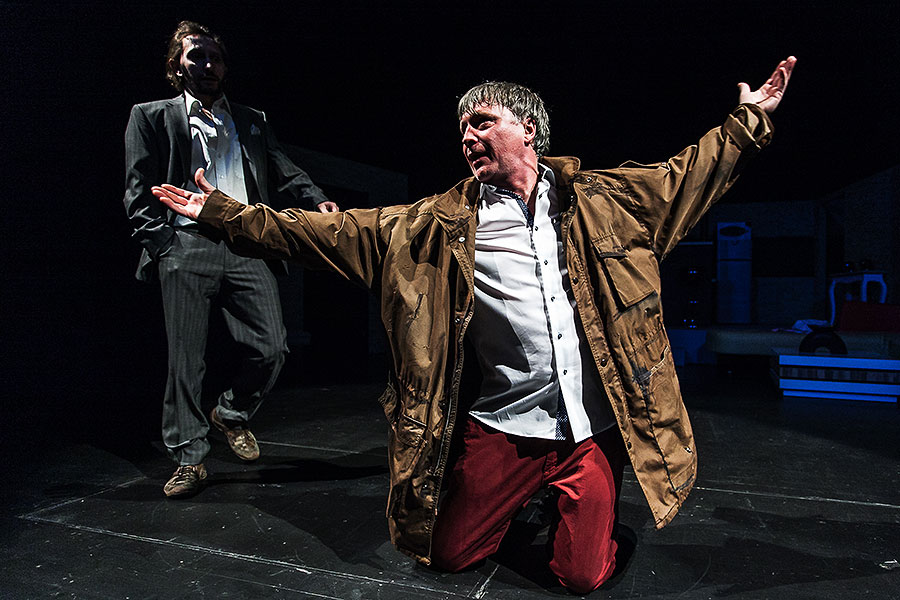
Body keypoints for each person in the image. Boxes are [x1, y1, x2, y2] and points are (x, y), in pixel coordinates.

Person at [153, 56, 795, 593]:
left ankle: (586, 513)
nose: (467, 136)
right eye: (462, 127)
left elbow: (688, 175)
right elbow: (324, 232)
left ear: (529, 129)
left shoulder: (606, 201)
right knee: (449, 554)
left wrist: (750, 121)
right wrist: (222, 213)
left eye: (483, 121)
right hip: (505, 426)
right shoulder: (432, 227)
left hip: (589, 429)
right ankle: (524, 500)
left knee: (581, 578)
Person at [123, 21, 339, 499]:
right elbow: (137, 190)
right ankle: (190, 458)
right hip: (185, 243)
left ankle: (230, 413)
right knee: (186, 360)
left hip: (245, 241)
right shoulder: (151, 116)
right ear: (177, 65)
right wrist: (163, 244)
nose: (208, 65)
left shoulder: (250, 118)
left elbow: (282, 168)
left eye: (215, 58)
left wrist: (315, 197)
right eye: (196, 56)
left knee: (273, 347)